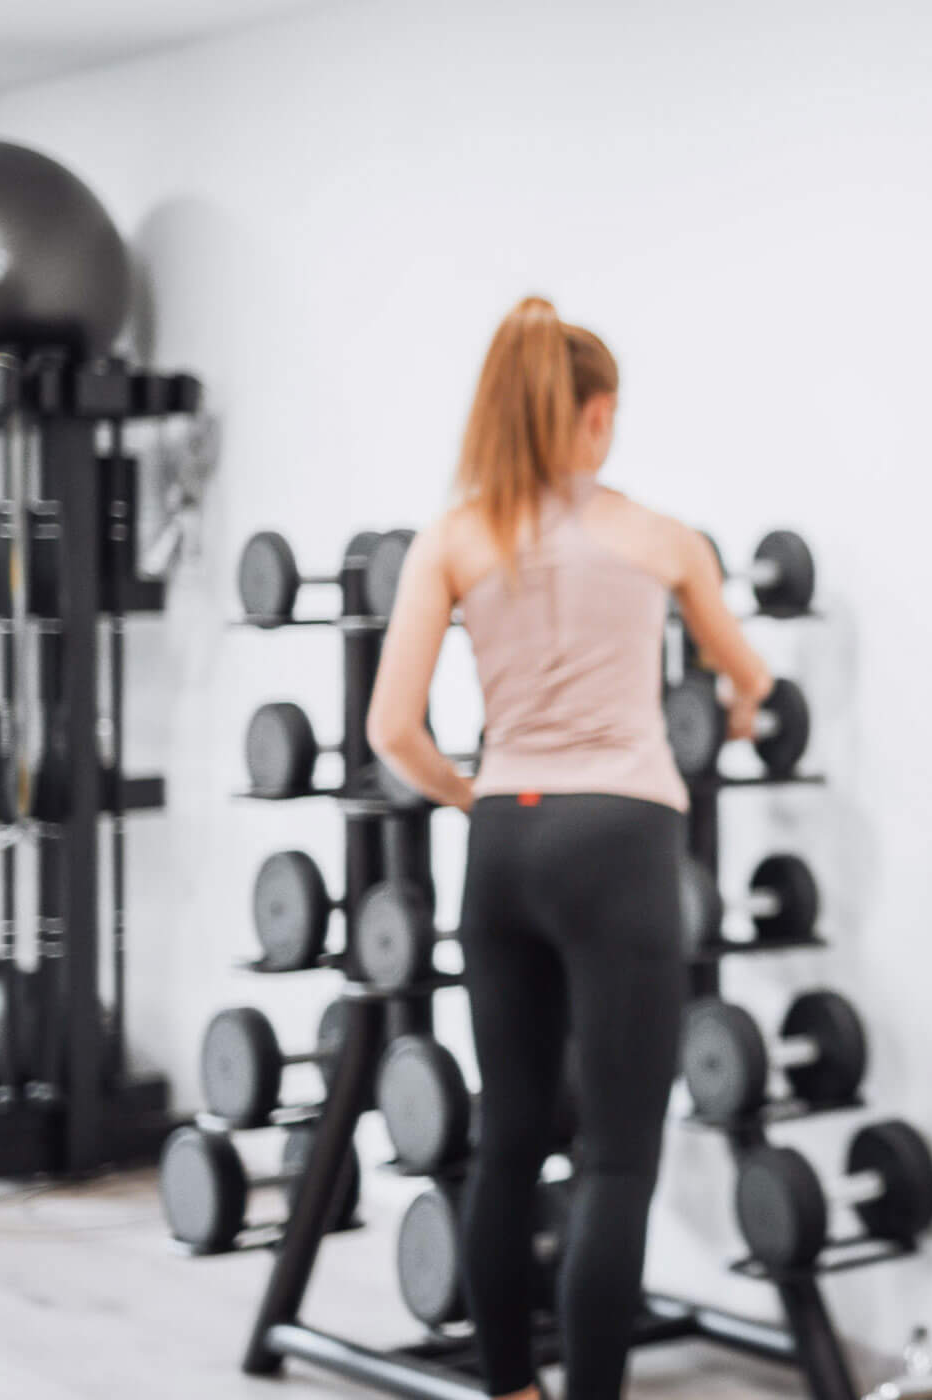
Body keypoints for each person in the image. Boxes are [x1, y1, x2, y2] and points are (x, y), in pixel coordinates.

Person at [367, 297, 771, 1400]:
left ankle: (510, 1388)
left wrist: (476, 799)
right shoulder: (658, 535)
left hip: (504, 837)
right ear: (594, 416)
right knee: (618, 1156)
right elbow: (750, 677)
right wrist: (736, 710)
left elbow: (391, 729)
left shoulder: (457, 534)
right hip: (623, 837)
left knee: (506, 1140)